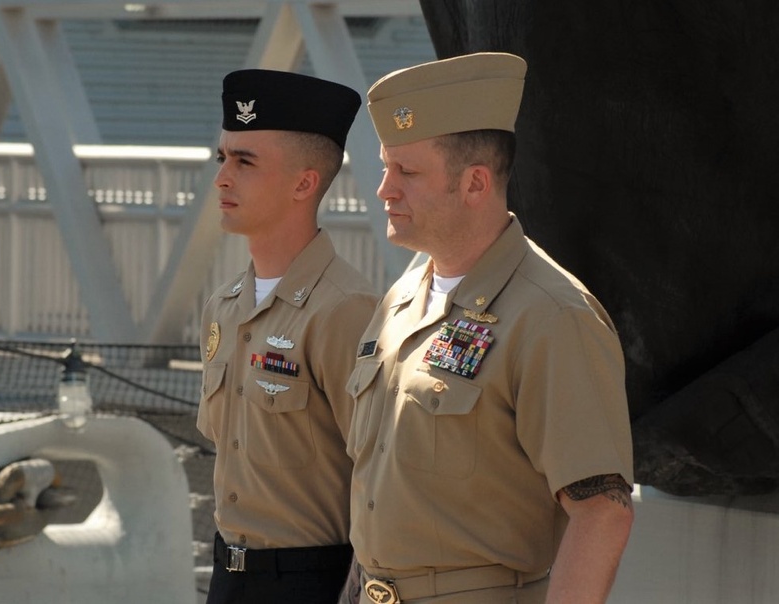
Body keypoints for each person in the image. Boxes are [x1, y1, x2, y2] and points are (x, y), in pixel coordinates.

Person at [341, 52, 635, 604]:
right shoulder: (405, 297)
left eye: (406, 171)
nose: (384, 189)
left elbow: (602, 512)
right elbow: (382, 498)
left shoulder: (552, 316)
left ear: (475, 183)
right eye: (385, 166)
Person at [197, 68, 379, 604]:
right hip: (227, 577)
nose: (222, 178)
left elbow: (383, 480)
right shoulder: (224, 307)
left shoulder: (346, 309)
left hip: (316, 583)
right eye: (222, 158)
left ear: (304, 183)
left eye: (245, 161)